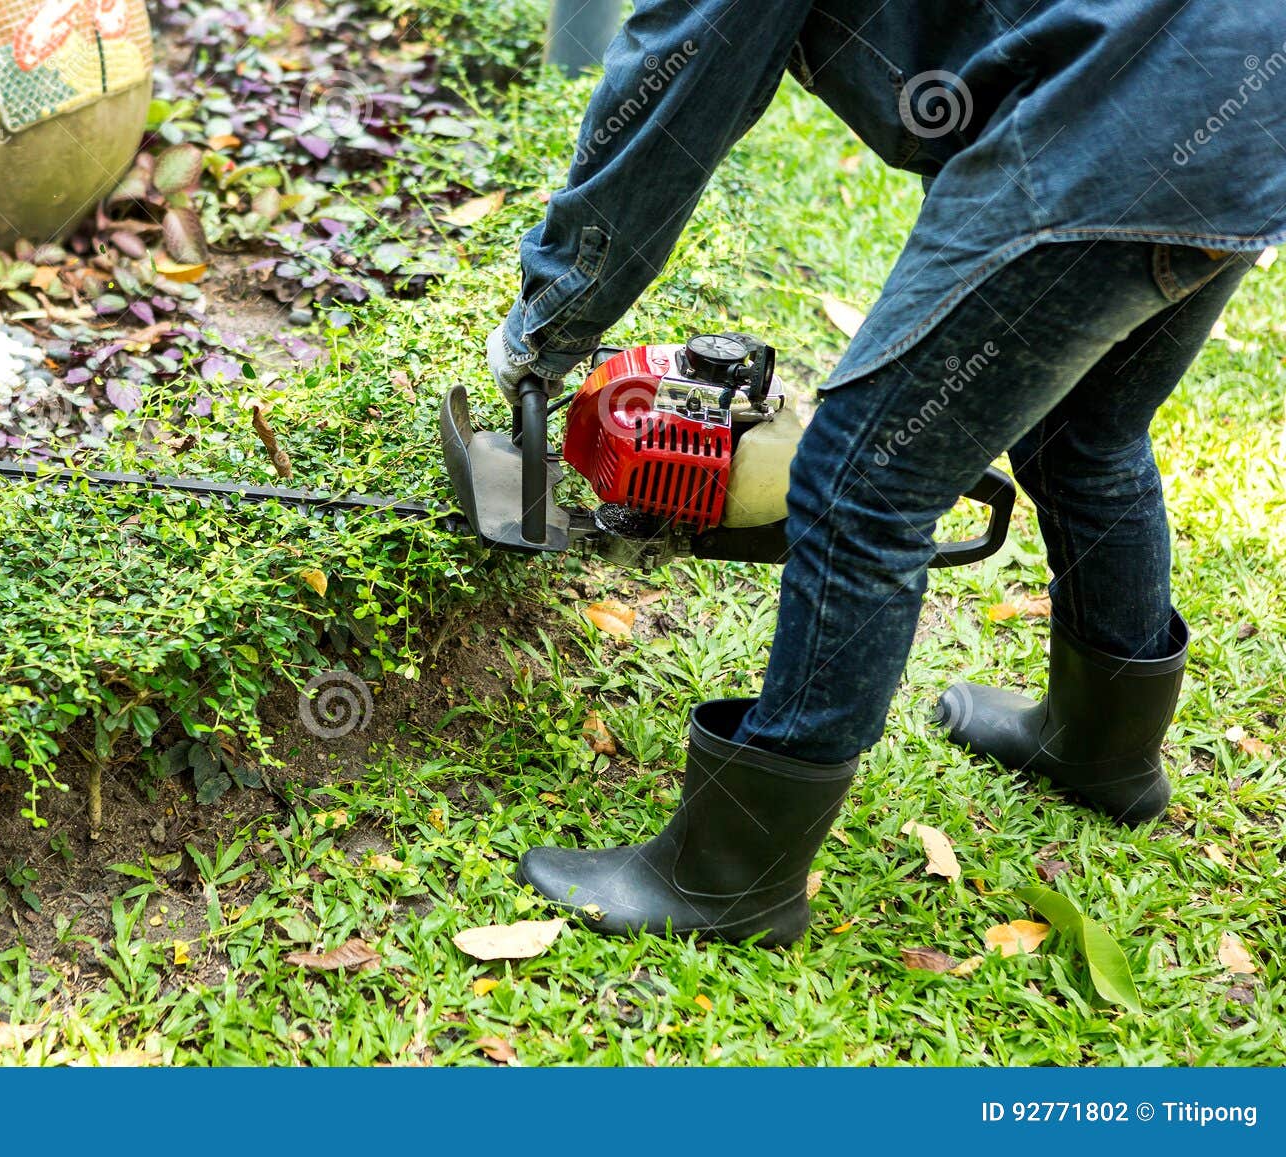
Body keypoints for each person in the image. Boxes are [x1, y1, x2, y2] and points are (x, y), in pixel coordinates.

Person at [494, 0, 1284, 945]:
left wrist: (554, 313)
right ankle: (1101, 750)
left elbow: (688, 60)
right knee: (1087, 428)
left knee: (862, 479)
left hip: (1117, 122)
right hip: (1242, 110)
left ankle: (730, 876)